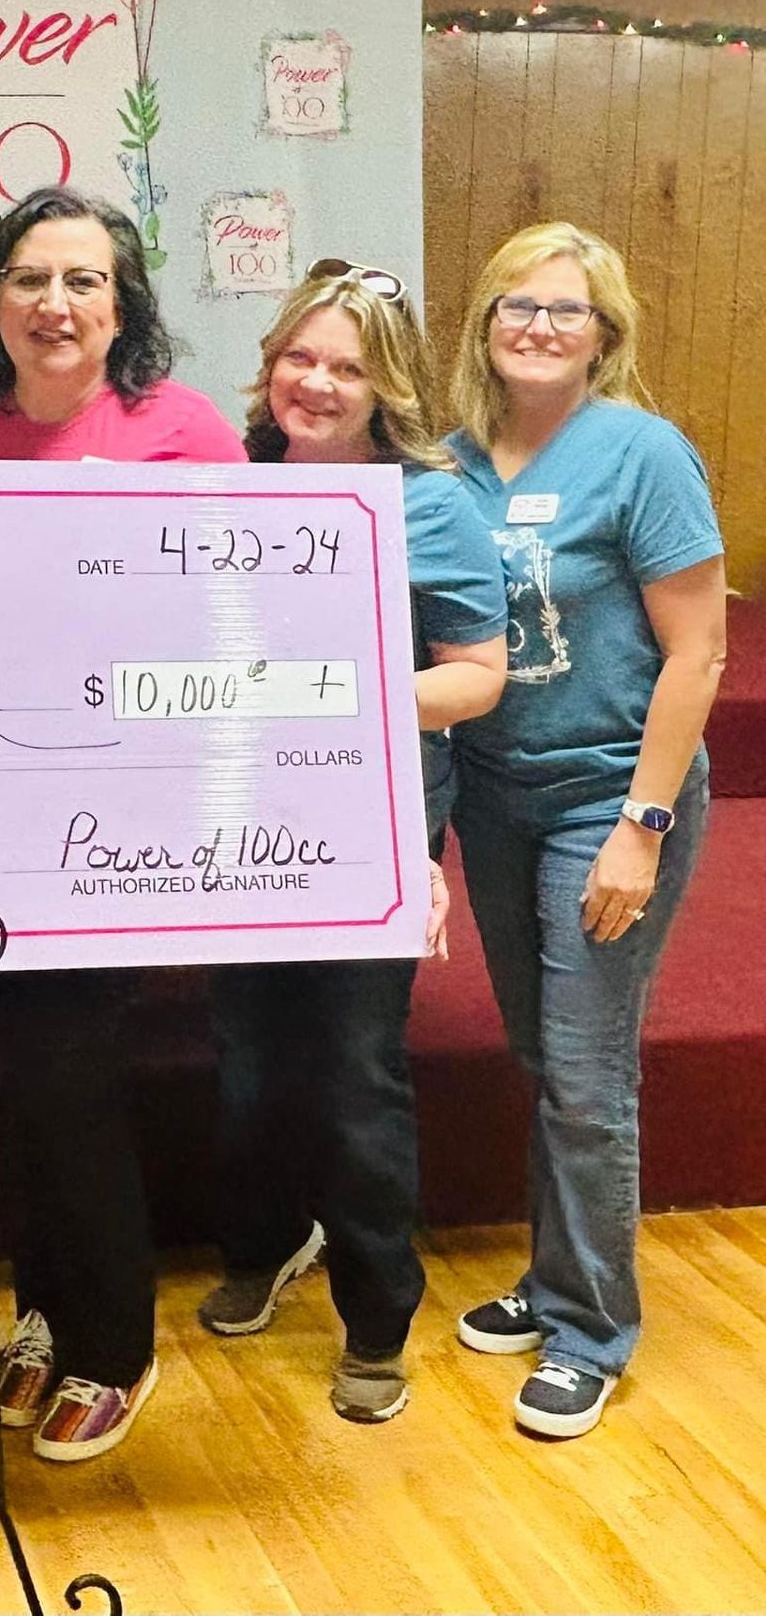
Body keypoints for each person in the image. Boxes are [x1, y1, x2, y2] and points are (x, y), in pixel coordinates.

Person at [0, 184, 246, 1462]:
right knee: (21, 1066)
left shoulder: (183, 430)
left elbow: (240, 614)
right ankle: (45, 1307)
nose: (56, 303)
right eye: (30, 279)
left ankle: (113, 1341)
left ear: (123, 305)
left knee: (71, 1067)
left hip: (118, 810)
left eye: (84, 280)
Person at [197, 260, 507, 1423]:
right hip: (238, 817)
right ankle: (263, 1243)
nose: (318, 383)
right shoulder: (228, 482)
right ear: (271, 363)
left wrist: (337, 694)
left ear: (388, 387)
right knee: (247, 1060)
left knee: (351, 1072)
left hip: (368, 820)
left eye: (348, 366)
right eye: (302, 357)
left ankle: (378, 1314)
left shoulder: (431, 502)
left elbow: (478, 678)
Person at [443, 223, 726, 1440]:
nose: (540, 326)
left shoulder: (642, 452)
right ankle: (558, 1273)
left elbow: (699, 651)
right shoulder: (453, 461)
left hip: (610, 799)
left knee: (587, 1070)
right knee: (544, 1056)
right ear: (486, 323)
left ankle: (590, 1331)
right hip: (497, 797)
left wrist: (641, 827)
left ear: (605, 335)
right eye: (519, 303)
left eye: (567, 309)